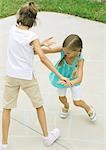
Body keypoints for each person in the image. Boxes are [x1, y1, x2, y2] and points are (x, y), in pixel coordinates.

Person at [0, 2, 72, 149]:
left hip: (11, 76)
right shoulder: (32, 36)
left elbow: (28, 49)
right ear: (33, 21)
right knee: (39, 106)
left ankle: (4, 144)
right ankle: (46, 137)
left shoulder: (13, 30)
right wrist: (60, 75)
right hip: (26, 77)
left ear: (19, 16)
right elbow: (42, 58)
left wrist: (40, 44)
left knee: (7, 109)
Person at [43, 34, 96, 121]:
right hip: (62, 78)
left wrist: (69, 82)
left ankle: (88, 108)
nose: (65, 53)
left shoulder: (80, 60)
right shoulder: (64, 49)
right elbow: (47, 51)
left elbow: (79, 79)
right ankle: (66, 106)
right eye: (64, 51)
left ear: (78, 51)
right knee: (61, 97)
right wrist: (36, 48)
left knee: (77, 102)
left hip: (73, 81)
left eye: (68, 53)